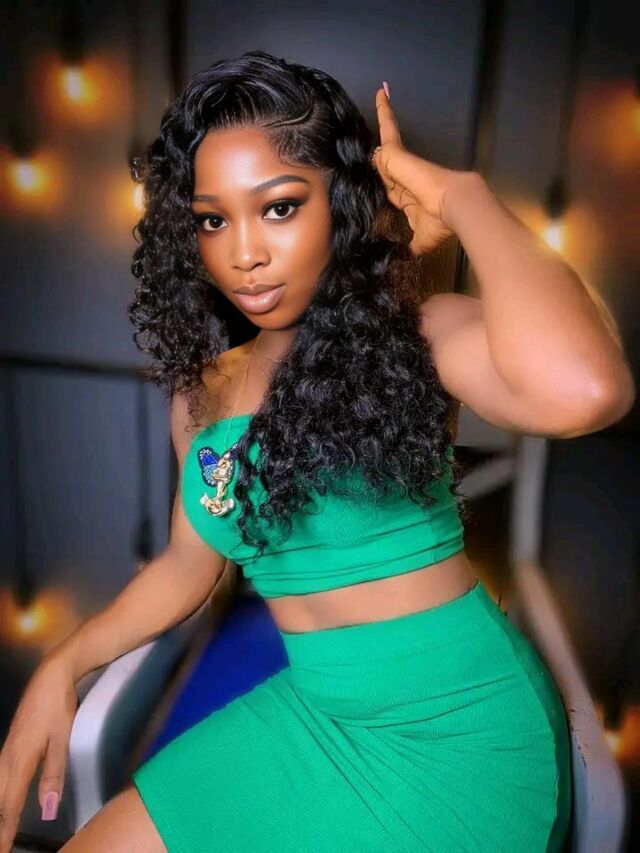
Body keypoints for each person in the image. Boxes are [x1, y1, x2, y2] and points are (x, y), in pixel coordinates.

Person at [0, 50, 634, 853]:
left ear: (340, 203)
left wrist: (463, 197)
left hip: (461, 739)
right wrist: (67, 660)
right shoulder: (202, 395)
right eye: (213, 219)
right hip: (315, 714)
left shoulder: (414, 337)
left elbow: (590, 387)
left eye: (278, 207)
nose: (243, 253)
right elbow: (188, 566)